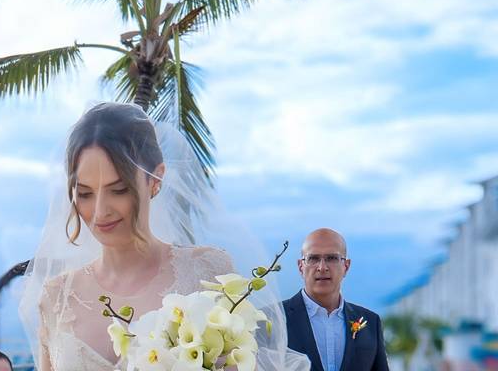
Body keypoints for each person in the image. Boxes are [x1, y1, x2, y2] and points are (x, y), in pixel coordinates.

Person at [19, 102, 311, 371]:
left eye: (118, 190)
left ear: (155, 180)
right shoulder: (57, 296)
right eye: (84, 193)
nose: (99, 211)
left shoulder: (208, 272)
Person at [283, 228, 390, 371]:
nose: (322, 267)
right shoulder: (274, 318)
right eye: (313, 258)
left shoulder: (370, 322)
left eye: (332, 258)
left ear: (346, 266)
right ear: (301, 266)